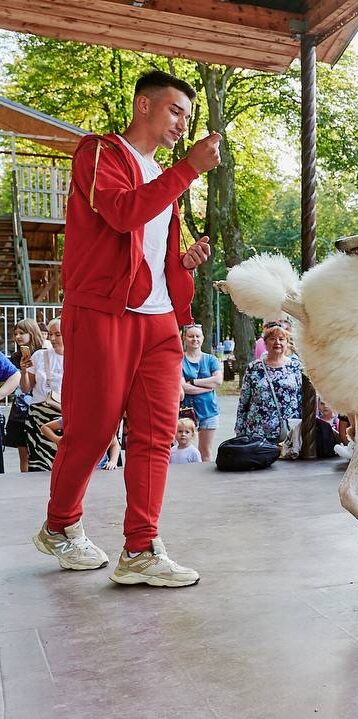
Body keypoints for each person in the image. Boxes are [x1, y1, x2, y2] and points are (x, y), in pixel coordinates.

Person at [33, 70, 219, 587]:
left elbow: (149, 253)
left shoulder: (165, 177)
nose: (183, 122)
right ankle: (60, 524)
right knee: (91, 432)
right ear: (143, 106)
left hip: (159, 320)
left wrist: (184, 262)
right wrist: (187, 170)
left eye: (187, 114)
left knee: (157, 435)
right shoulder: (99, 152)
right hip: (103, 314)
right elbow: (119, 215)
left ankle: (140, 548)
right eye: (175, 110)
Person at [235, 323, 302, 442]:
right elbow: (243, 401)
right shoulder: (254, 367)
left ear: (287, 343)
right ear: (265, 343)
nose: (277, 342)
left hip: (289, 430)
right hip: (257, 431)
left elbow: (302, 398)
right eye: (272, 339)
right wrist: (239, 430)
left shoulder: (296, 367)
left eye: (281, 339)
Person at [22, 318, 64, 473]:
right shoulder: (39, 356)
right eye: (50, 334)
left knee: (63, 465)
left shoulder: (79, 358)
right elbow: (26, 388)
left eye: (58, 334)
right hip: (38, 415)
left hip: (64, 416)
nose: (52, 338)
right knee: (39, 465)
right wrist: (24, 371)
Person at [5, 318, 46, 472]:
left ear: (32, 333)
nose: (17, 336)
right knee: (23, 455)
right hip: (19, 410)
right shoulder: (15, 357)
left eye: (22, 333)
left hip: (38, 408)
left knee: (39, 452)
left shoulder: (43, 354)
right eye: (15, 333)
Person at [180, 323, 223, 461]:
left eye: (197, 336)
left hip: (208, 411)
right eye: (191, 336)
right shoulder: (179, 360)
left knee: (206, 450)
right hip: (184, 412)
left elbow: (218, 381)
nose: (194, 339)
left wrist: (193, 382)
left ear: (202, 338)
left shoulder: (211, 359)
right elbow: (182, 387)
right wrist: (207, 387)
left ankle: (206, 481)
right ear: (184, 338)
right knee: (181, 448)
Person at [41, 417, 122, 470]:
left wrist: (113, 461)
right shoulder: (71, 418)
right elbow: (45, 427)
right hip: (74, 468)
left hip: (100, 468)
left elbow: (115, 444)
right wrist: (58, 440)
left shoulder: (103, 422)